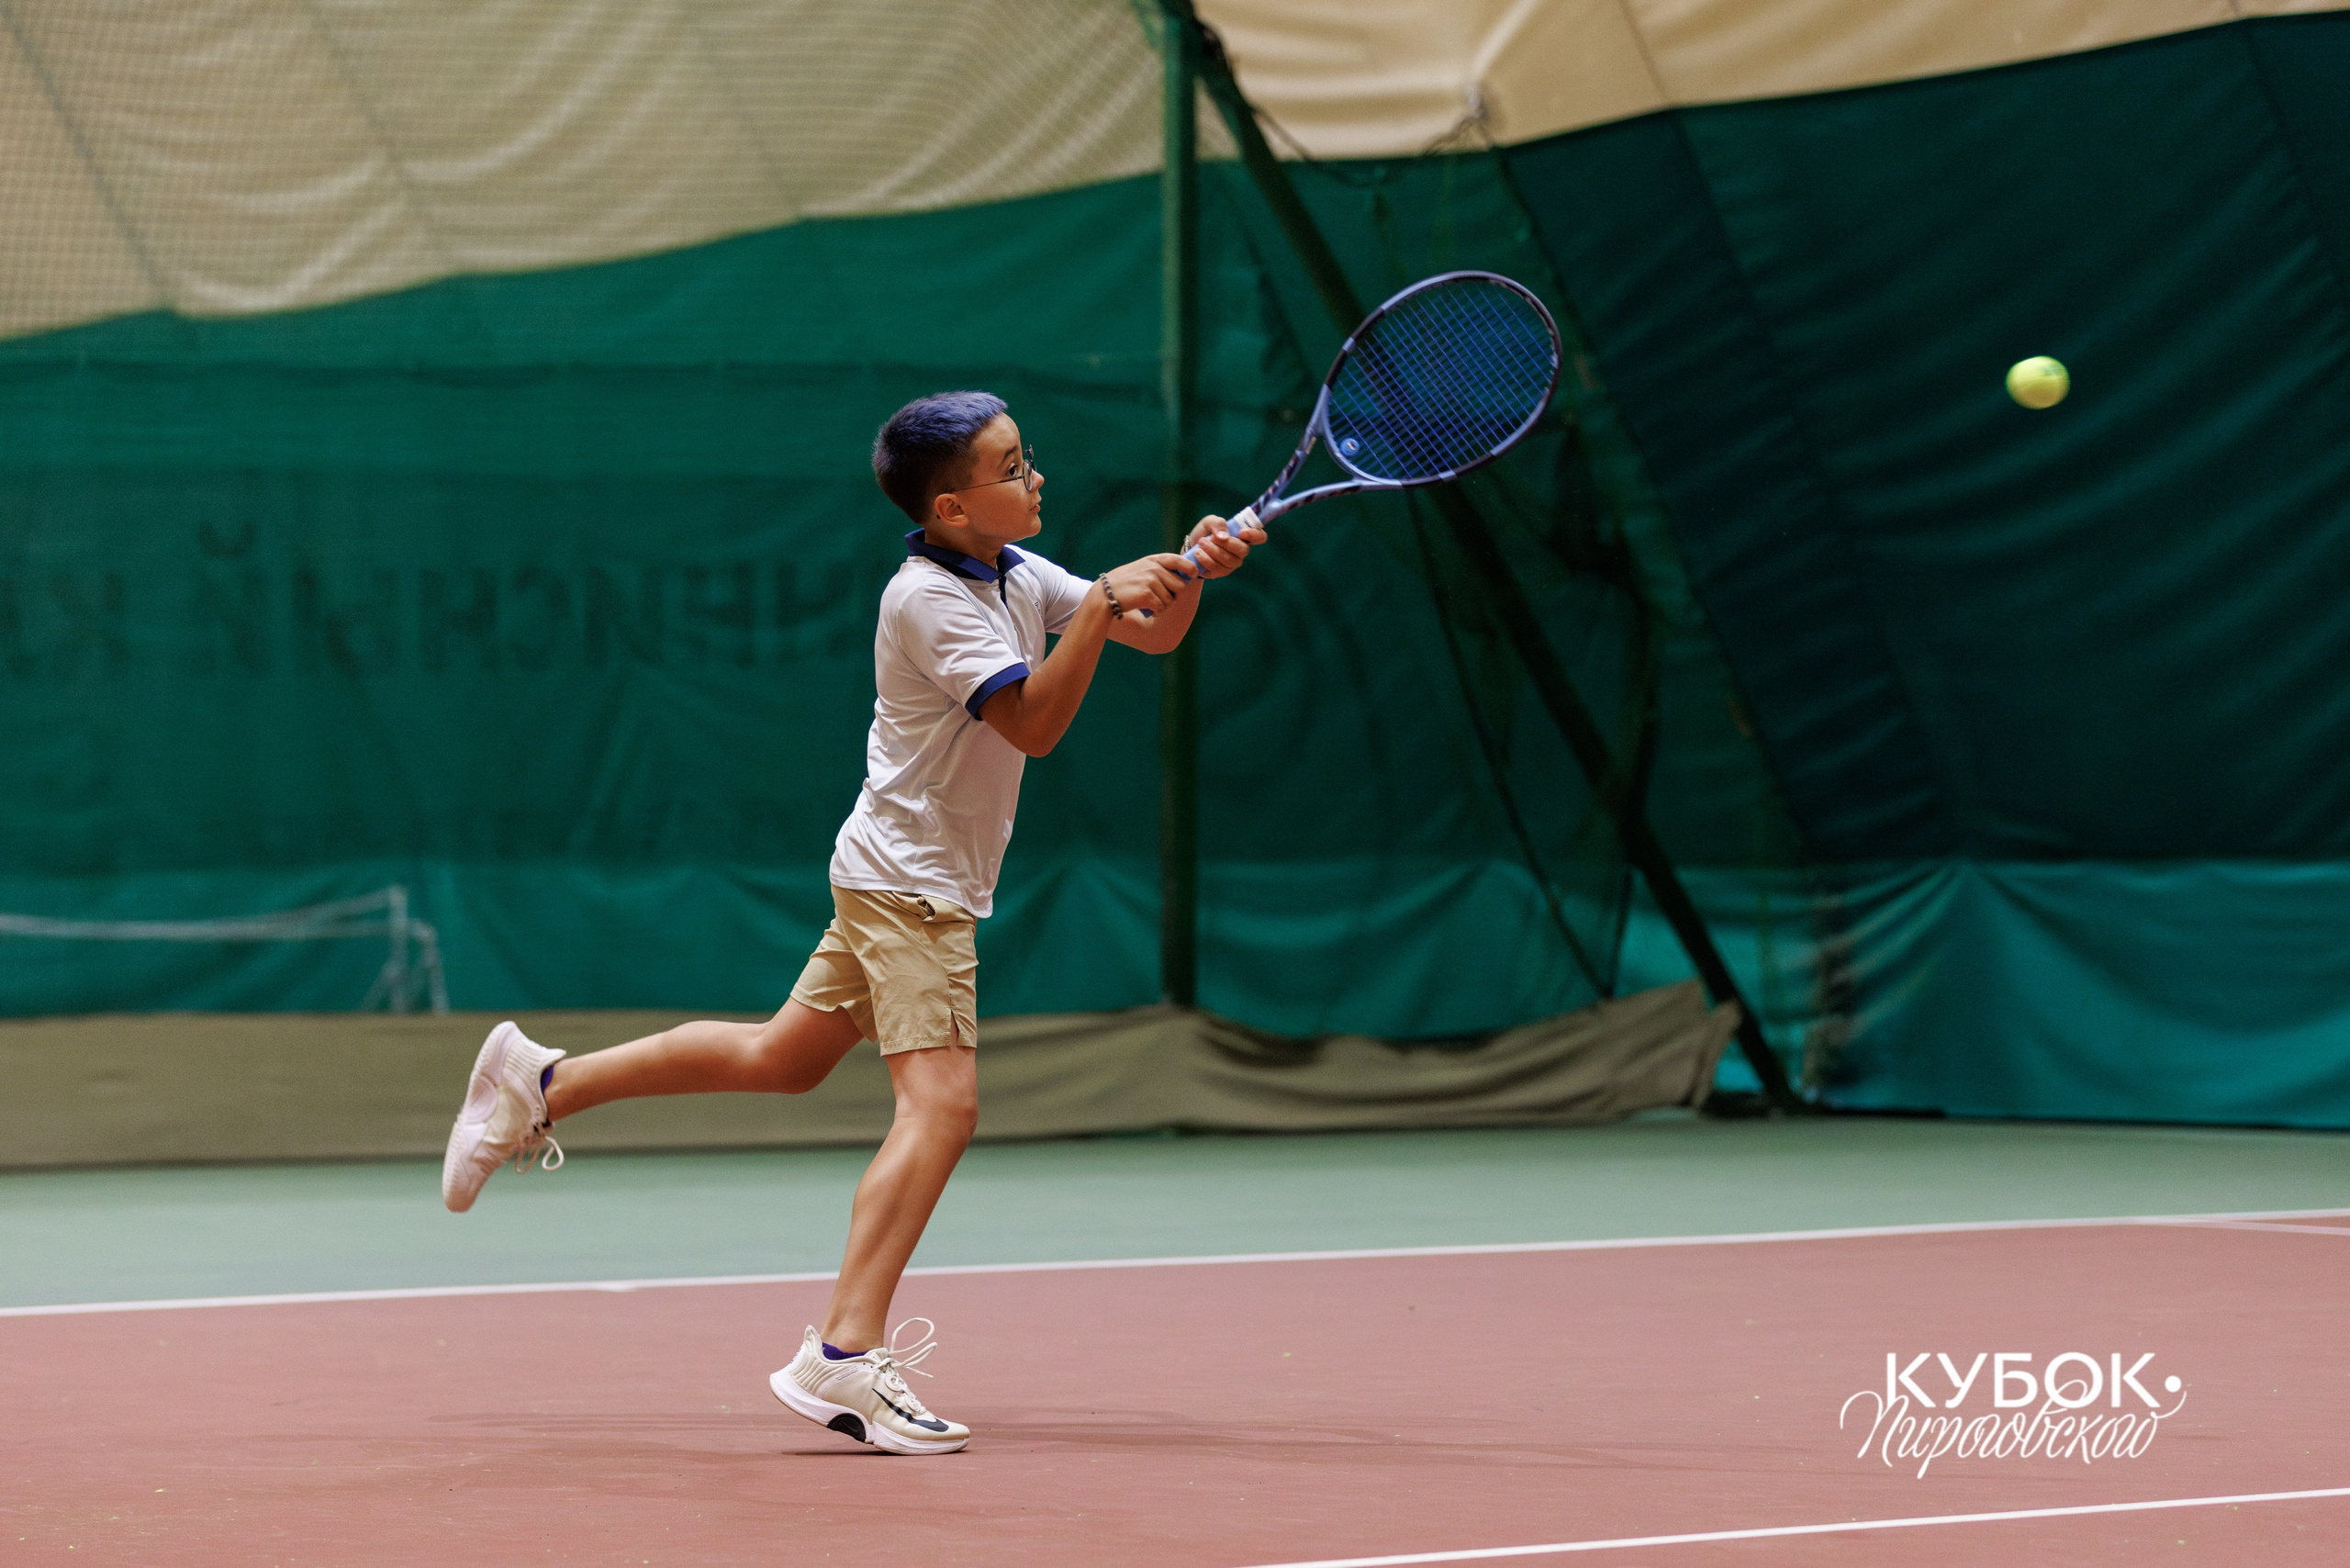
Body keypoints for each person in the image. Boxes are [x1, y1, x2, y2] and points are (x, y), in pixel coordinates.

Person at [438, 390, 1264, 1454]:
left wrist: (1186, 577)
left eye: (1029, 460)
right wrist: (1105, 605)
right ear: (955, 507)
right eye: (1012, 469)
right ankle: (839, 1356)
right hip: (911, 886)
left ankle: (540, 1083)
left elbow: (1146, 636)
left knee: (782, 1057)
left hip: (900, 871)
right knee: (943, 1107)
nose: (1036, 478)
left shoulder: (1011, 571)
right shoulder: (926, 600)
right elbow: (1038, 723)